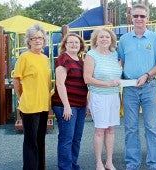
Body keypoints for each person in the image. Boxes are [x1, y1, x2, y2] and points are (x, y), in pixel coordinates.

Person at [117, 4, 156, 170]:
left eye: (142, 16)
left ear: (147, 18)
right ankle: (132, 164)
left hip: (149, 87)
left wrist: (147, 75)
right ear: (131, 18)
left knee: (152, 127)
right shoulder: (124, 39)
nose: (139, 19)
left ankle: (153, 165)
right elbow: (120, 62)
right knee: (130, 128)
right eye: (136, 16)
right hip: (129, 88)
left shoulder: (154, 38)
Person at [12, 23, 51, 170]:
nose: (37, 40)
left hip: (43, 105)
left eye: (40, 38)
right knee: (31, 141)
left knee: (40, 140)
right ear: (29, 41)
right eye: (34, 38)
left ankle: (40, 167)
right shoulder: (24, 57)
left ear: (44, 40)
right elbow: (16, 79)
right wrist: (22, 97)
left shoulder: (45, 58)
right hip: (29, 106)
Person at [83, 27, 122, 170]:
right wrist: (107, 84)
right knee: (100, 129)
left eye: (107, 37)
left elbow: (118, 75)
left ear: (111, 39)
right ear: (96, 40)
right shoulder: (91, 55)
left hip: (114, 96)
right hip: (99, 96)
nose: (104, 39)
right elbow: (87, 78)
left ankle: (109, 162)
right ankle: (99, 162)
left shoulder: (114, 54)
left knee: (111, 129)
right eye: (101, 37)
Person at [51, 33, 88, 170]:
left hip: (80, 105)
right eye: (71, 42)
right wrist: (67, 106)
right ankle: (65, 167)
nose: (74, 45)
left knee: (76, 138)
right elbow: (60, 84)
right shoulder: (63, 59)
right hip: (65, 105)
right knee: (67, 138)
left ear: (81, 45)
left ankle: (73, 165)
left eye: (77, 43)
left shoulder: (80, 61)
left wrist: (86, 103)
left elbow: (84, 84)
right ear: (65, 44)